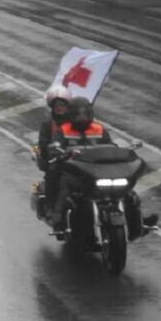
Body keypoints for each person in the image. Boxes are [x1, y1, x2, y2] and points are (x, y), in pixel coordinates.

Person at [46, 96, 112, 229]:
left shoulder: (99, 129)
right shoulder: (64, 130)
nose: (82, 118)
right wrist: (59, 151)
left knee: (124, 190)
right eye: (78, 115)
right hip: (75, 171)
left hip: (99, 170)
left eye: (85, 114)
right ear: (71, 115)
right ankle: (55, 214)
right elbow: (56, 146)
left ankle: (137, 219)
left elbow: (110, 146)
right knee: (60, 180)